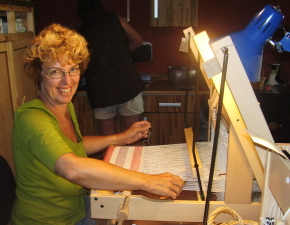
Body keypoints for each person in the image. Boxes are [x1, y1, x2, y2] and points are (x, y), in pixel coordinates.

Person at [11, 23, 184, 225]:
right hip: (49, 221)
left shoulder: (63, 106)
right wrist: (147, 180)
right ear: (38, 73)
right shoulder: (31, 117)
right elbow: (71, 167)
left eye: (73, 69)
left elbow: (72, 146)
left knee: (154, 216)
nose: (67, 82)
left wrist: (120, 138)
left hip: (76, 208)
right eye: (56, 72)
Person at [78, 0, 145, 141]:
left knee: (108, 142)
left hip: (101, 89)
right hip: (127, 83)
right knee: (135, 137)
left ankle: (109, 164)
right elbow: (138, 40)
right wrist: (121, 54)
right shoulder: (115, 19)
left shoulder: (81, 33)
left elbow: (81, 64)